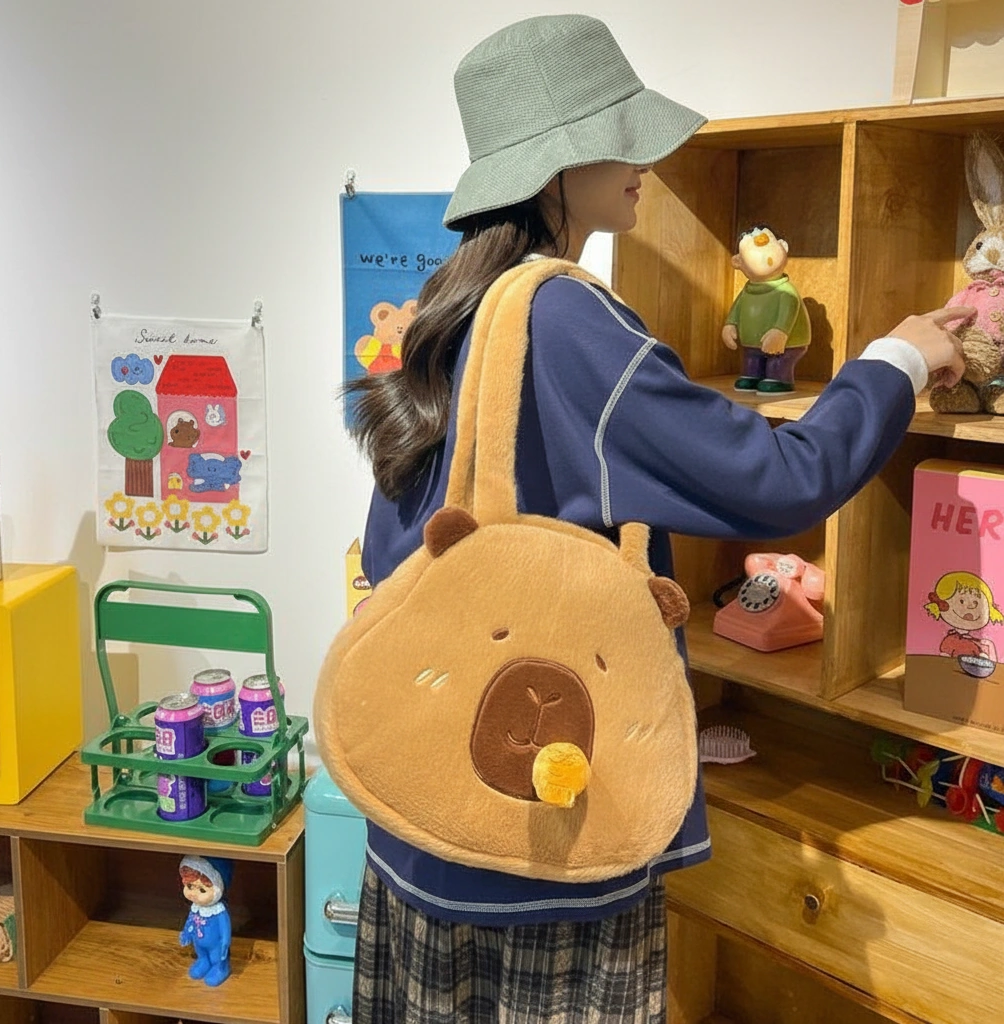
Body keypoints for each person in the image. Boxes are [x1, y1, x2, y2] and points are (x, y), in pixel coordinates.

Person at [341, 14, 971, 1024]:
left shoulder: (451, 306)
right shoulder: (566, 317)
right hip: (539, 845)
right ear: (556, 167)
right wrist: (896, 357)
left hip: (426, 807)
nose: (644, 160)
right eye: (618, 134)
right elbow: (776, 479)